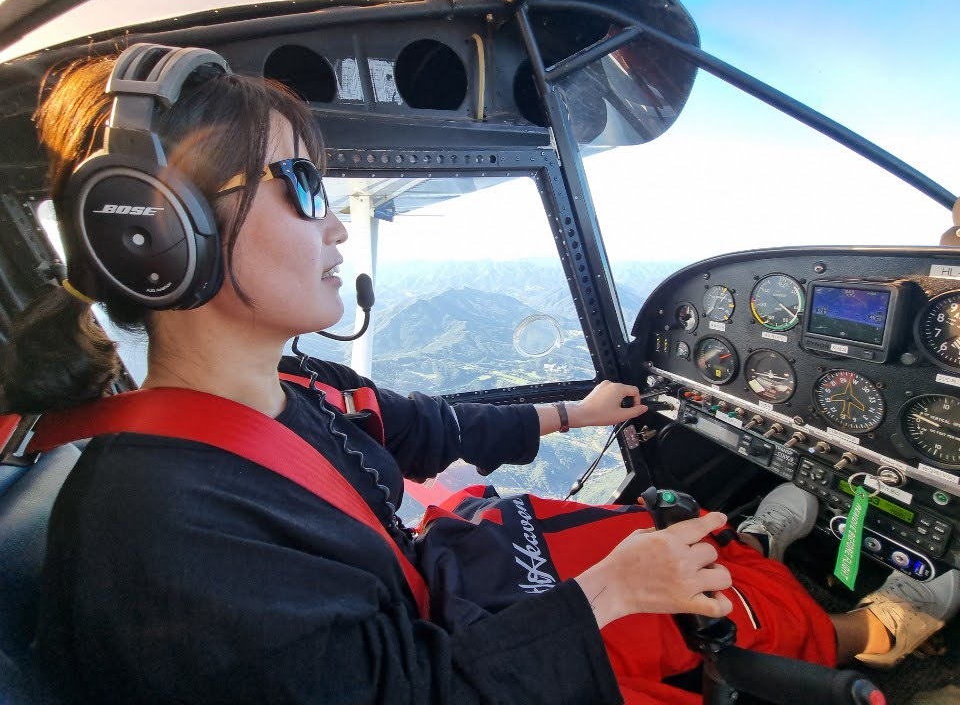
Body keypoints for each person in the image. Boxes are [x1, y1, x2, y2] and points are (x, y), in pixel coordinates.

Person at [2, 46, 958, 705]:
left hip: (433, 592)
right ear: (166, 235)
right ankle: (861, 636)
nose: (334, 224)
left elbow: (422, 427)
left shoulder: (283, 389)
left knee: (644, 529)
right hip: (440, 653)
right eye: (300, 187)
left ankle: (757, 543)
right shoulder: (164, 536)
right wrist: (606, 599)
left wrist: (574, 410)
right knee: (671, 587)